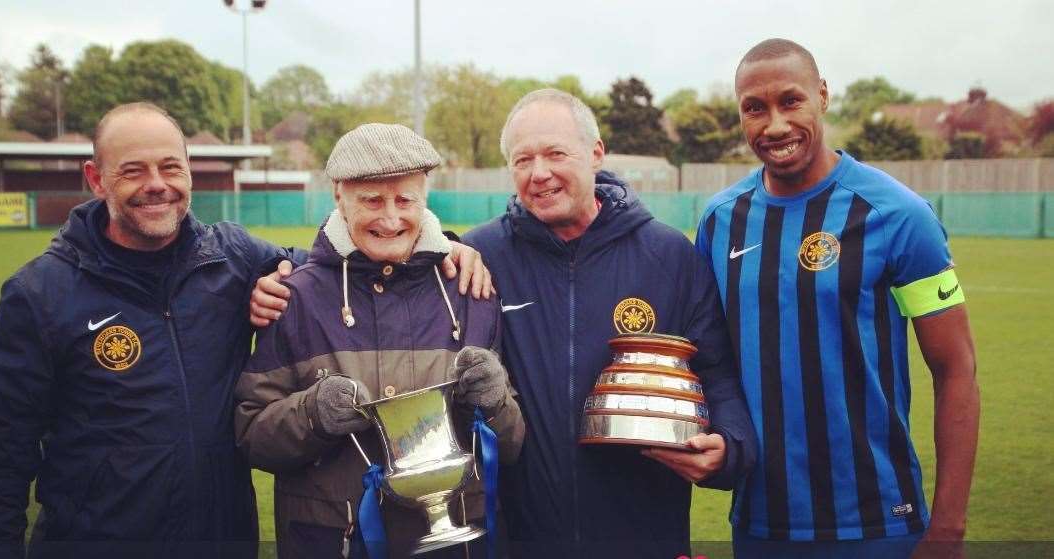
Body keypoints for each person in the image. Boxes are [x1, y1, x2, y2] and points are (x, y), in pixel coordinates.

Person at [0, 102, 491, 559]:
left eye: (171, 166)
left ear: (189, 171)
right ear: (96, 179)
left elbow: (349, 262)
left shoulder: (233, 258)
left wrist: (442, 245)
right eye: (133, 171)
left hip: (224, 540)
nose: (157, 185)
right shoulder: (40, 293)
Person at [254, 90, 757, 557]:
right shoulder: (477, 259)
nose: (539, 173)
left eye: (555, 154)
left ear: (597, 153)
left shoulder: (669, 254)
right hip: (518, 537)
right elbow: (376, 263)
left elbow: (716, 370)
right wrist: (281, 271)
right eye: (522, 159)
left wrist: (729, 448)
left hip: (644, 531)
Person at [695, 39, 979, 558]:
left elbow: (956, 368)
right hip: (760, 522)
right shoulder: (719, 221)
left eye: (791, 100)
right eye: (754, 108)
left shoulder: (898, 215)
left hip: (877, 522)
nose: (775, 124)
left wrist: (948, 530)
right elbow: (710, 361)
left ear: (822, 96)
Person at [233, 123, 525, 559]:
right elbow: (250, 433)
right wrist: (310, 415)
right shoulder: (292, 299)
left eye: (405, 200)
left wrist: (494, 400)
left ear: (425, 197)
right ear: (339, 196)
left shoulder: (471, 291)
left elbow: (512, 444)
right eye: (372, 200)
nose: (391, 219)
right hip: (333, 544)